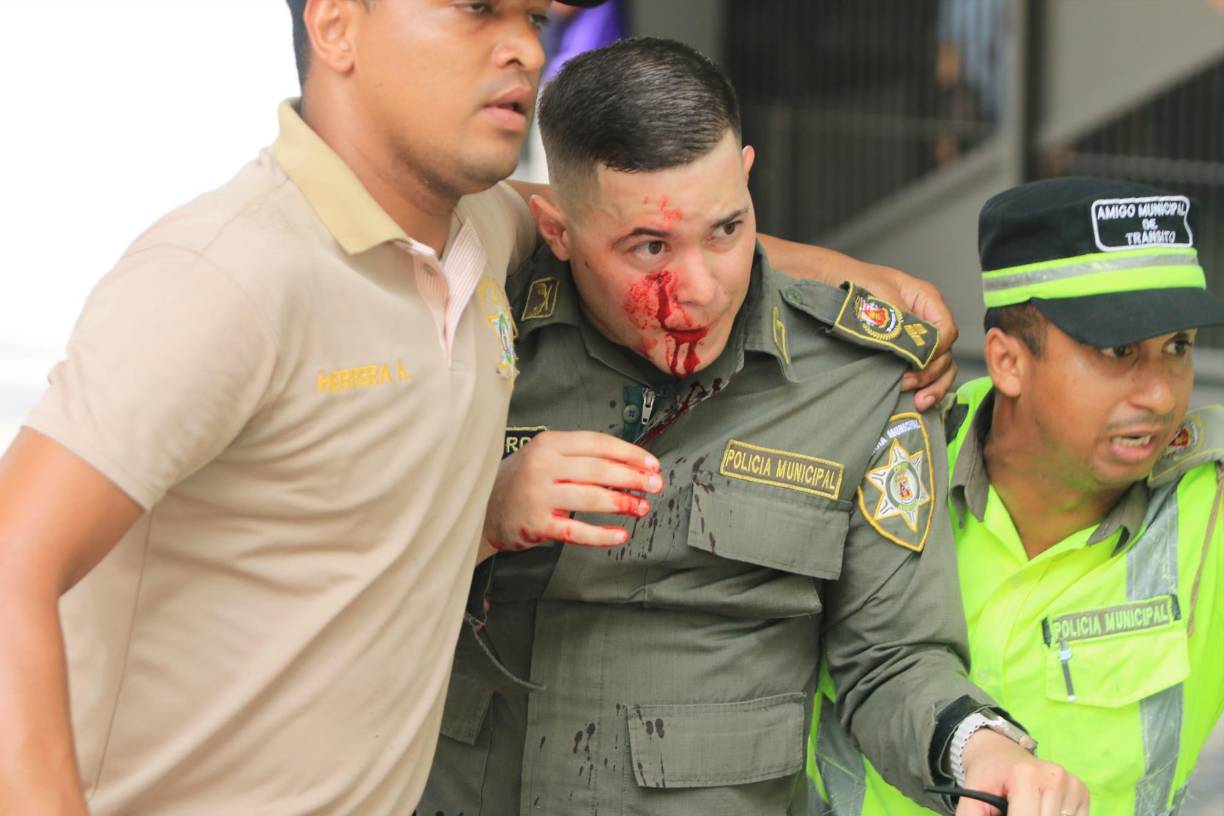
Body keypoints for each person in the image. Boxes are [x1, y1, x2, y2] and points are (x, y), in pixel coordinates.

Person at [0, 2, 960, 814]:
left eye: (534, 15)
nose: (526, 48)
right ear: (336, 23)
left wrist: (855, 284)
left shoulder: (473, 244)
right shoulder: (228, 275)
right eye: (474, 7)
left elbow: (628, 216)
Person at [419, 37, 1087, 816]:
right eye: (649, 247)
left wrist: (984, 750)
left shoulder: (862, 378)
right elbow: (319, 567)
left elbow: (894, 660)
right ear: (558, 232)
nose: (696, 290)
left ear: (747, 179)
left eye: (727, 231)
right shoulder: (461, 333)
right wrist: (484, 513)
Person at [809, 176, 1224, 815]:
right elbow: (670, 244)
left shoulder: (1210, 507)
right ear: (1007, 361)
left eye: (1177, 347)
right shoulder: (873, 462)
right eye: (1118, 350)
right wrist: (849, 271)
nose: (1162, 395)